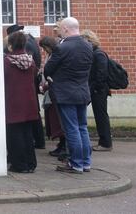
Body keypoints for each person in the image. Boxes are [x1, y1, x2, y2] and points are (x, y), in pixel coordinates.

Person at [43, 17, 93, 174]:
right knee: (82, 128)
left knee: (71, 129)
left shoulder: (62, 48)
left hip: (65, 94)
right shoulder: (88, 46)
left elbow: (48, 70)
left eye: (60, 29)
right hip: (82, 92)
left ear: (65, 29)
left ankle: (76, 163)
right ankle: (86, 162)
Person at [4, 31, 39, 173]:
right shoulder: (31, 61)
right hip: (29, 102)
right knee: (27, 134)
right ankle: (31, 163)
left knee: (14, 135)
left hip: (13, 101)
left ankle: (19, 164)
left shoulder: (7, 62)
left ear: (11, 46)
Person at [82, 30, 113, 152]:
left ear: (89, 40)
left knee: (101, 116)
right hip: (97, 89)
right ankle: (104, 141)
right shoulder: (95, 53)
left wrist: (94, 88)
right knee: (100, 116)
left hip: (99, 91)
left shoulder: (98, 54)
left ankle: (105, 143)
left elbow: (101, 74)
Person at [39, 35, 66, 158]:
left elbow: (51, 72)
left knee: (59, 122)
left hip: (55, 91)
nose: (45, 51)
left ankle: (64, 146)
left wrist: (45, 85)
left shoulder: (56, 56)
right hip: (52, 91)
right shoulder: (52, 55)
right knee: (56, 121)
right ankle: (61, 145)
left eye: (45, 48)